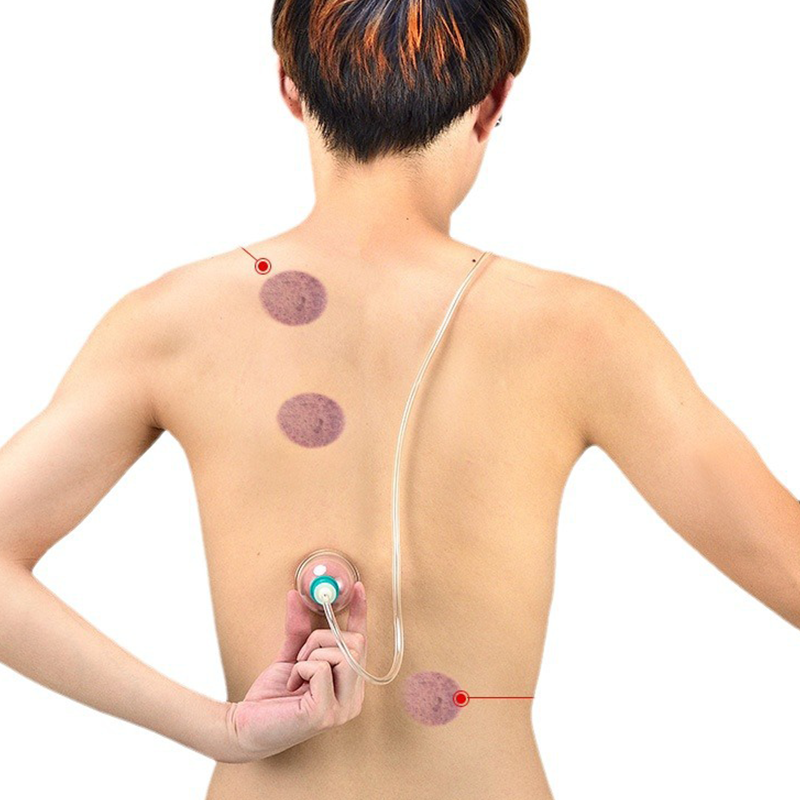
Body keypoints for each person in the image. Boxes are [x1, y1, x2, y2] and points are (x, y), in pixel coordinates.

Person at [1, 0, 798, 797]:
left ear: (289, 87)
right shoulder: (584, 331)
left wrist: (224, 728)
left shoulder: (171, 323)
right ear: (493, 100)